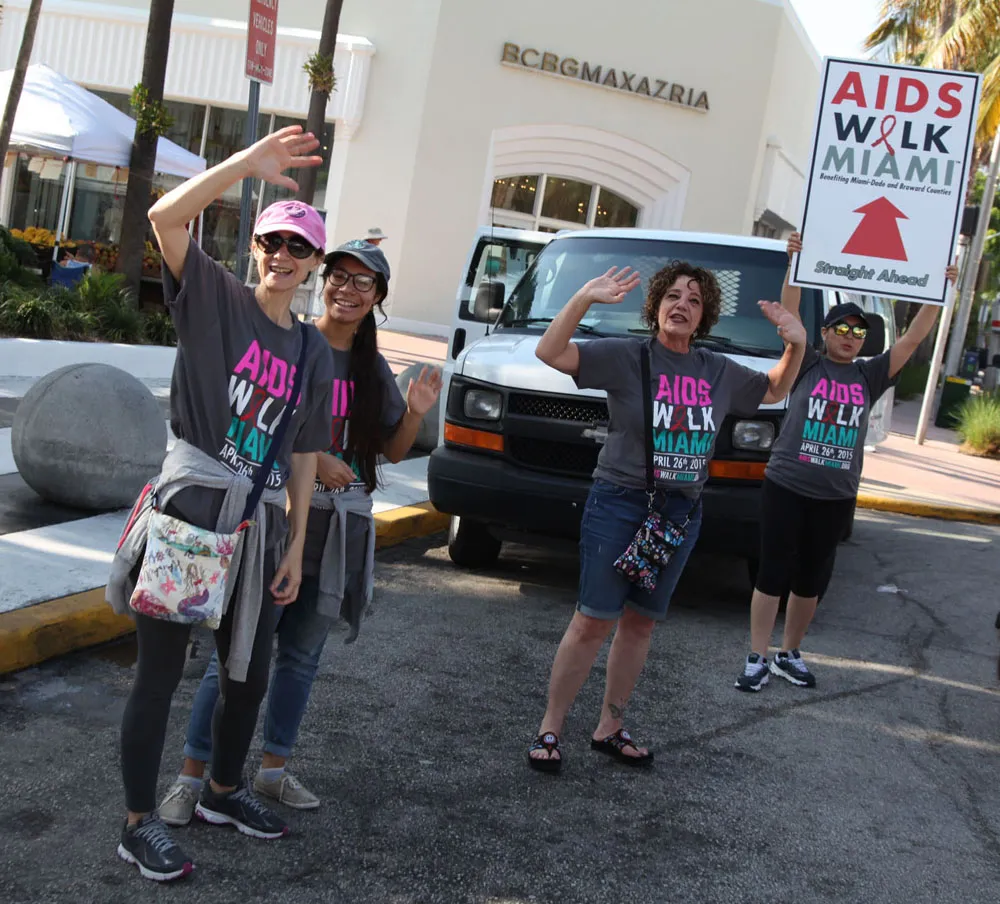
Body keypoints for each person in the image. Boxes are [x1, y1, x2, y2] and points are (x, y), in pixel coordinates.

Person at [106, 126, 336, 882]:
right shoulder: (215, 298)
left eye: (298, 247)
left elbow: (303, 450)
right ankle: (138, 824)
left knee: (249, 673)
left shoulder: (312, 350)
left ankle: (224, 792)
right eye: (271, 241)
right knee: (159, 673)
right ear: (255, 249)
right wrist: (243, 165)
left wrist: (296, 542)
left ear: (314, 263)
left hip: (259, 525)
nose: (282, 255)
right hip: (190, 514)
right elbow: (164, 218)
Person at [156, 239, 443, 821]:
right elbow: (252, 427)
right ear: (322, 278)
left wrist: (414, 411)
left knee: (301, 657)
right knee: (234, 655)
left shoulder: (371, 368)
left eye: (363, 282)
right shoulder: (293, 344)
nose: (347, 290)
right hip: (277, 521)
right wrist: (312, 460)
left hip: (340, 530)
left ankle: (272, 770)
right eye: (339, 276)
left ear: (378, 297)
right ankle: (192, 774)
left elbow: (390, 451)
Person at [528, 260, 809, 771]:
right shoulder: (625, 356)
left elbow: (773, 389)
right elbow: (549, 352)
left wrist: (795, 346)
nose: (682, 305)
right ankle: (551, 728)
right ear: (656, 306)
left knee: (640, 625)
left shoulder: (716, 369)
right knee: (592, 621)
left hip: (679, 515)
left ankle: (610, 726)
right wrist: (584, 298)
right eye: (673, 296)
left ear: (704, 317)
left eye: (695, 300)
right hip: (619, 504)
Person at [734, 233, 958, 692]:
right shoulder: (806, 361)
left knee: (810, 579)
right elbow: (790, 313)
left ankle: (789, 653)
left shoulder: (869, 374)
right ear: (825, 332)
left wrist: (940, 291)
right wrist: (794, 264)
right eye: (842, 328)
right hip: (786, 485)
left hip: (834, 495)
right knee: (772, 571)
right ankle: (757, 656)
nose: (850, 337)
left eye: (858, 332)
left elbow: (914, 338)